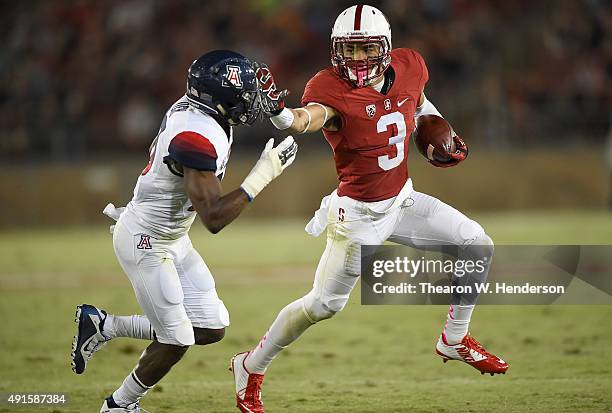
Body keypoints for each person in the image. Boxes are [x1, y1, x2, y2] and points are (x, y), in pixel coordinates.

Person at [231, 5, 508, 412]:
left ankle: (453, 339)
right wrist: (280, 113)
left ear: (386, 47)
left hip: (402, 201)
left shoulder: (411, 64)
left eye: (365, 49)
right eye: (350, 50)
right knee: (322, 306)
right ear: (335, 51)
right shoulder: (328, 87)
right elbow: (308, 119)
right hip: (358, 216)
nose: (357, 59)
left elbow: (420, 102)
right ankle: (250, 365)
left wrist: (438, 129)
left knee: (477, 244)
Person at [70, 50, 298, 413]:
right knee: (175, 339)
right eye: (244, 94)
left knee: (210, 327)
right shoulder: (195, 134)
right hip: (145, 240)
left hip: (172, 236)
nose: (251, 100)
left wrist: (272, 106)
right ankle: (119, 406)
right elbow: (214, 218)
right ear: (220, 98)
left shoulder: (201, 108)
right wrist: (262, 175)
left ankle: (103, 325)